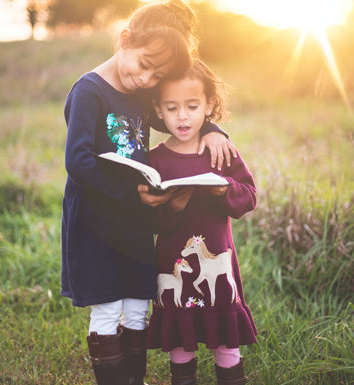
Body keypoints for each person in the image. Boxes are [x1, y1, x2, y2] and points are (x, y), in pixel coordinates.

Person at [60, 1, 238, 384]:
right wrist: (131, 193)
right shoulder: (89, 91)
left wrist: (212, 130)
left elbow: (179, 118)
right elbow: (77, 162)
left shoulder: (142, 92)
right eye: (144, 65)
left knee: (139, 305)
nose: (147, 79)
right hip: (96, 219)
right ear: (125, 39)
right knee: (108, 307)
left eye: (158, 75)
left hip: (134, 220)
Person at [146, 59, 258, 385]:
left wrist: (225, 189)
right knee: (181, 342)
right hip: (173, 264)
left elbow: (248, 196)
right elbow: (150, 219)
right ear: (158, 109)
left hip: (218, 263)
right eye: (172, 107)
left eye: (192, 106)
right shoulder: (155, 159)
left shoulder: (220, 150)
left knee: (226, 342)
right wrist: (172, 206)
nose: (182, 116)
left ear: (209, 104)